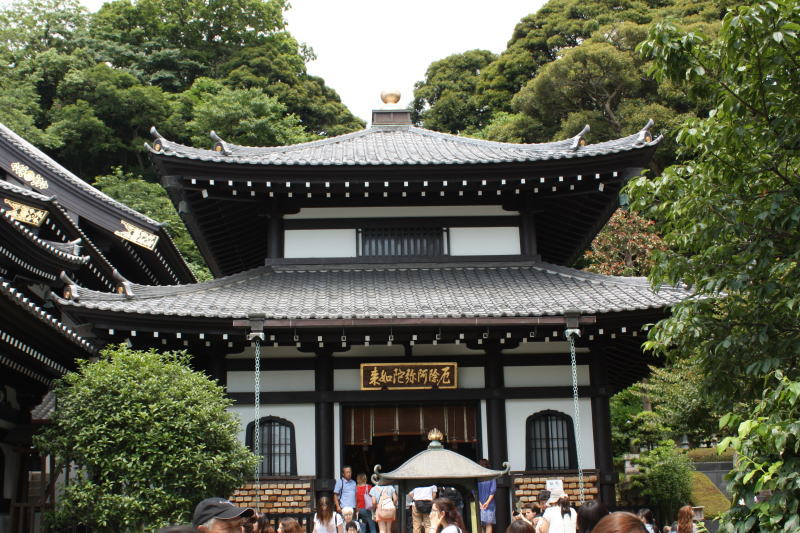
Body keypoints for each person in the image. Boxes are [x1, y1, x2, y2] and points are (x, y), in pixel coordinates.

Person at [477, 460, 497, 533]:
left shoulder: (477, 477)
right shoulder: (491, 476)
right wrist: (487, 502)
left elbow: (474, 491)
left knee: (480, 524)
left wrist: (479, 503)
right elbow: (493, 491)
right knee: (489, 524)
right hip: (490, 504)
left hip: (479, 504)